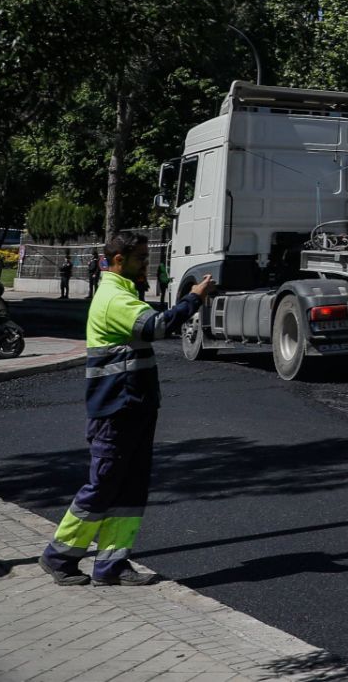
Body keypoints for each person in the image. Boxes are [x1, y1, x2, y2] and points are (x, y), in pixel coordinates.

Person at [40, 232, 211, 587]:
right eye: (140, 259)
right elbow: (157, 327)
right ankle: (59, 556)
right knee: (102, 485)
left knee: (131, 488)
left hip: (135, 407)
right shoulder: (114, 297)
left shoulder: (125, 294)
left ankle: (113, 564)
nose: (145, 265)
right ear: (119, 260)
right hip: (115, 409)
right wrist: (193, 299)